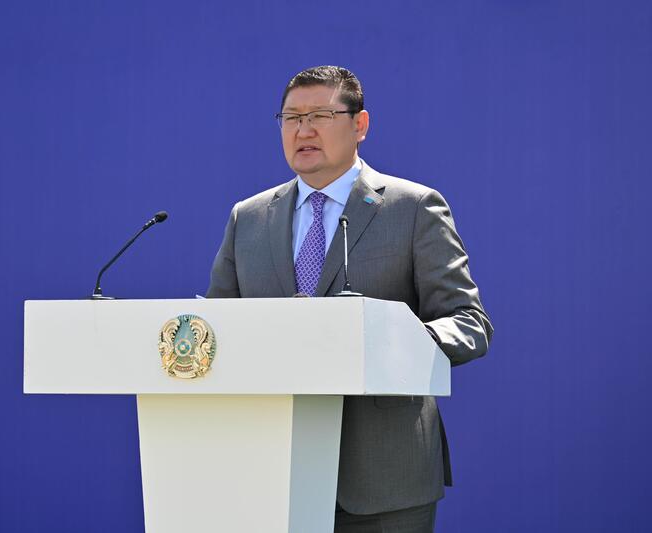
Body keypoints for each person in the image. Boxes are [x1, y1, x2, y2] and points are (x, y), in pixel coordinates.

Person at [206, 65, 493, 533]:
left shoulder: (413, 208)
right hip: (271, 474)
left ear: (360, 125)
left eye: (320, 115)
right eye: (291, 117)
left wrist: (392, 341)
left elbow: (468, 322)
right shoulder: (249, 218)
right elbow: (217, 330)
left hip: (385, 478)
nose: (303, 130)